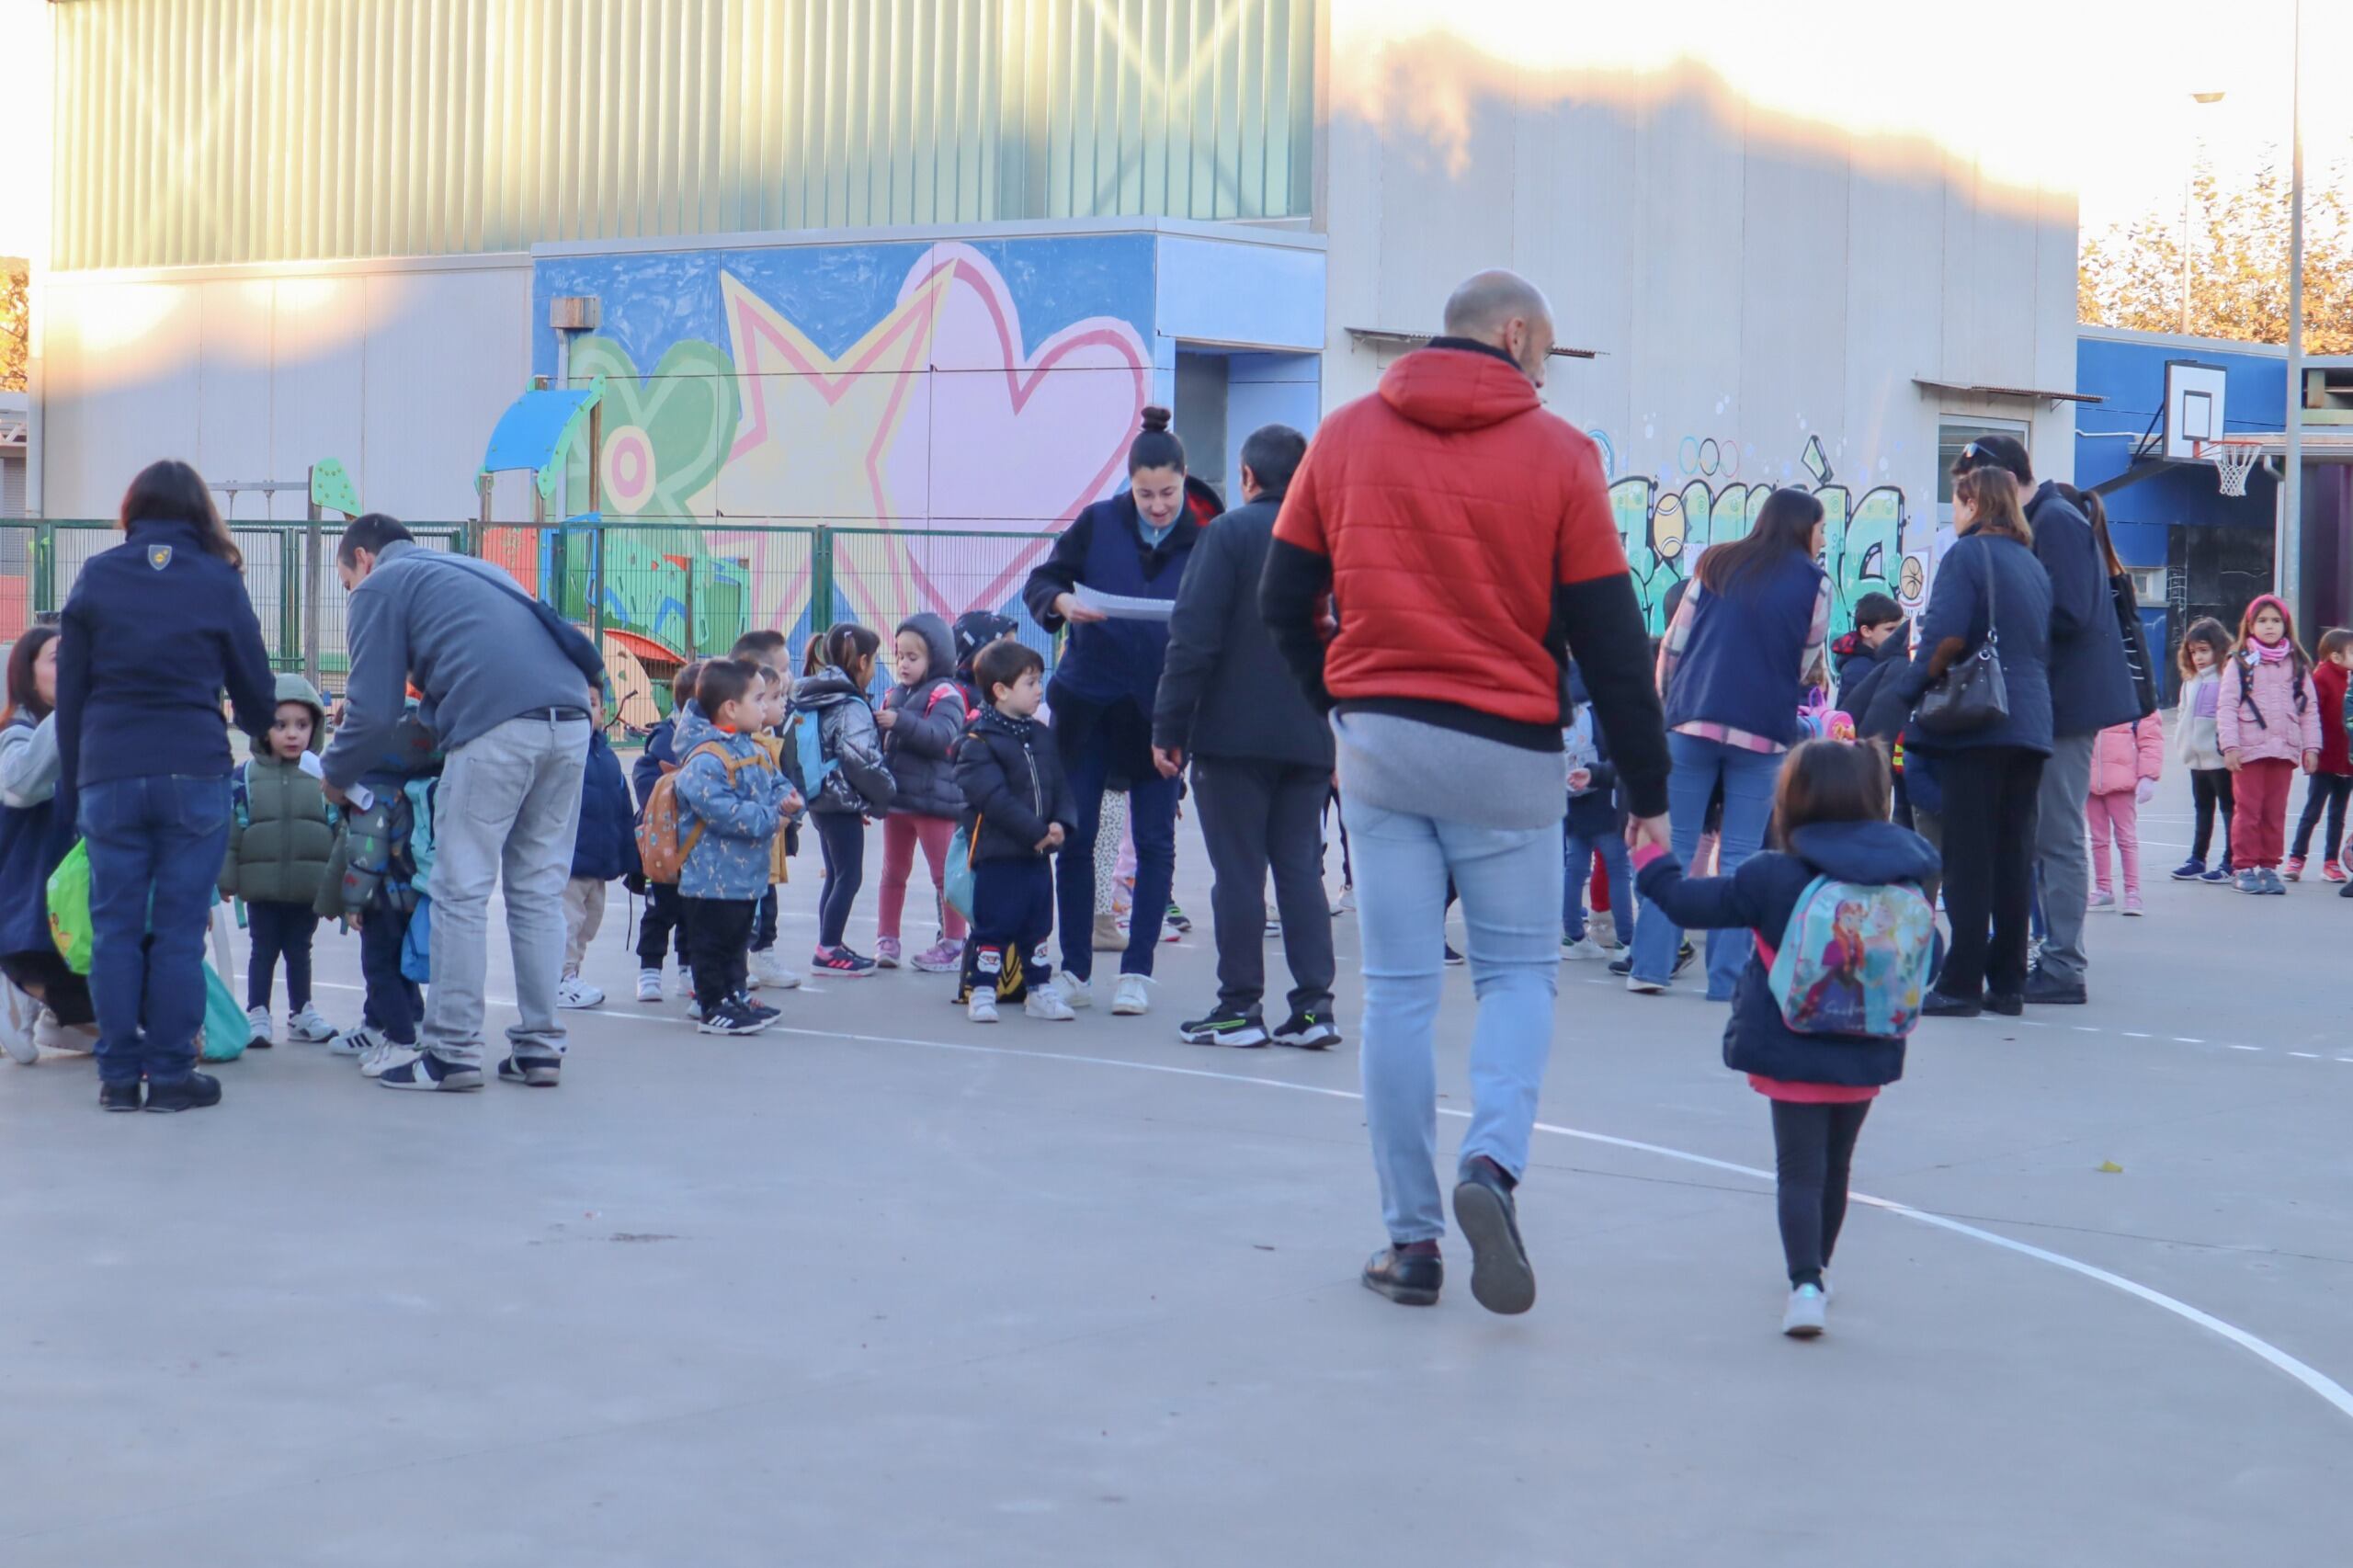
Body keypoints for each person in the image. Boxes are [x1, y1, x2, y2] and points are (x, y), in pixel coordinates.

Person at [1261, 268, 1670, 1315]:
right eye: (1546, 350)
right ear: (1518, 332)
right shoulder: (1561, 455)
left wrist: (1342, 706)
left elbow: (1283, 599)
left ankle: (1410, 1243)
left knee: (1397, 991)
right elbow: (1612, 642)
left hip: (1383, 745)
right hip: (1506, 753)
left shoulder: (1343, 436)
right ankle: (1490, 1166)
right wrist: (1650, 784)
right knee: (1519, 975)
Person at [1631, 741, 1936, 1337]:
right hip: (1868, 1044)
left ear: (1791, 802)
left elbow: (1681, 901)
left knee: (1798, 1168)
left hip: (1790, 1043)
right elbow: (1929, 953)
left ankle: (1804, 1285)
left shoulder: (1772, 876)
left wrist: (1649, 856)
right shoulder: (1907, 874)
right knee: (1837, 1167)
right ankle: (1817, 1268)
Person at [321, 512, 604, 1092]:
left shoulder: (379, 586)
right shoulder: (477, 569)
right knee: (536, 889)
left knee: (460, 889)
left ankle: (450, 1052)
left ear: (363, 559)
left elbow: (372, 712)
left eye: (345, 580)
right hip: (571, 719)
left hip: (495, 725)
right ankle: (540, 1048)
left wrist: (334, 774)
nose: (352, 591)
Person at [55, 460, 278, 1112]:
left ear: (133, 509)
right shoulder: (217, 579)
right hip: (192, 769)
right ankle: (173, 1074)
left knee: (115, 927)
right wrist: (264, 730)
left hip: (110, 771)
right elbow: (255, 688)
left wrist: (76, 788)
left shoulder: (97, 577)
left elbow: (70, 698)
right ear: (199, 513)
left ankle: (119, 1077)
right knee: (180, 931)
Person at [1023, 407, 1219, 1017]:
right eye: (1145, 494)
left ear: (1185, 479)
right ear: (1128, 485)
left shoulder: (1210, 535)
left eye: (1167, 494)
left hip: (1163, 711)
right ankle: (1076, 968)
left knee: (1157, 841)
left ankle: (1137, 970)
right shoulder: (1099, 523)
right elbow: (1043, 579)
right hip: (1089, 705)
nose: (1158, 507)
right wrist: (1060, 601)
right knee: (1075, 839)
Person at [1151, 422, 1339, 1050]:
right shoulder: (1331, 541)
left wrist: (1169, 726)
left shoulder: (1227, 535)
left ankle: (1239, 1007)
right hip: (1312, 737)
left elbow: (1193, 638)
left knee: (1238, 874)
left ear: (1248, 477)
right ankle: (1315, 1010)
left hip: (1232, 737)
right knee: (1301, 873)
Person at [1949, 437, 2139, 1006]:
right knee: (2035, 834)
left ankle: (2063, 963)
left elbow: (2071, 611)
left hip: (2065, 703)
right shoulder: (2043, 518)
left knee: (2056, 834)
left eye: (1970, 487)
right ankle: (2050, 951)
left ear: (1999, 480)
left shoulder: (2053, 521)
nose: (1967, 500)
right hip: (2045, 701)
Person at [1630, 487, 1831, 999]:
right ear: (1804, 528)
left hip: (1692, 720)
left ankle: (1648, 968)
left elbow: (1674, 645)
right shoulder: (1815, 584)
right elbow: (1807, 659)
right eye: (1821, 528)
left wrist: (1667, 708)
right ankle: (1726, 982)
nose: (1823, 538)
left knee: (1672, 844)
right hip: (1763, 730)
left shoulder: (1714, 564)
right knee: (1740, 855)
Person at [1869, 463, 2052, 1019]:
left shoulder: (1967, 555)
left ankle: (1961, 982)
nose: (1954, 510)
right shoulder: (2031, 563)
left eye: (1958, 499)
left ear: (1974, 504)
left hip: (1979, 724)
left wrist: (1909, 688)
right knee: (2013, 853)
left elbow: (1944, 636)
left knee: (1969, 855)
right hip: (2030, 721)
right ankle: (2007, 982)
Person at [956, 640, 1079, 1023]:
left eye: (1040, 681)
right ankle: (983, 990)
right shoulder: (977, 742)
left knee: (1037, 927)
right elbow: (993, 798)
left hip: (1037, 856)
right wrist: (1036, 831)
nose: (1039, 689)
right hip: (999, 855)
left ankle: (1039, 989)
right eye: (1031, 682)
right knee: (994, 925)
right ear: (1001, 690)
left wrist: (1061, 824)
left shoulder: (1041, 736)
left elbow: (1060, 784)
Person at [317, 694, 440, 1075]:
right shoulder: (424, 783)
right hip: (416, 893)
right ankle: (411, 1025)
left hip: (383, 898)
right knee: (403, 964)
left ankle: (400, 1040)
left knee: (379, 968)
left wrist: (354, 900)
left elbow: (367, 852)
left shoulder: (372, 792)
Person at [220, 674, 339, 1047]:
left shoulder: (324, 777)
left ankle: (301, 1010)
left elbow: (339, 832)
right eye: (280, 724)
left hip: (308, 886)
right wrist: (225, 878)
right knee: (263, 949)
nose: (292, 734)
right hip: (262, 888)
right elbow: (232, 833)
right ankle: (257, 1011)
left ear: (315, 728)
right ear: (263, 729)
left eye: (302, 725)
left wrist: (341, 888)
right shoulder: (247, 777)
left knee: (300, 950)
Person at [673, 659, 788, 1035]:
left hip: (742, 875)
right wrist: (772, 816)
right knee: (711, 945)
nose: (765, 706)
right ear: (731, 708)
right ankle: (711, 1006)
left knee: (737, 942)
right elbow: (722, 810)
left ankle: (734, 995)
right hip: (710, 878)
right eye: (758, 698)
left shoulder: (749, 747)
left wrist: (788, 799)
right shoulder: (705, 757)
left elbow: (775, 780)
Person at [0, 626, 96, 1064]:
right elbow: (22, 785)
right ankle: (21, 980)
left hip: (72, 902)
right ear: (26, 673)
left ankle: (57, 1016)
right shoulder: (14, 735)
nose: (72, 666)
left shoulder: (84, 728)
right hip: (26, 899)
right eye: (59, 658)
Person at [792, 621, 896, 975]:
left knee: (836, 875)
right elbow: (861, 760)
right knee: (849, 877)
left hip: (820, 796)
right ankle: (828, 950)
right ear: (863, 661)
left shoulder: (817, 692)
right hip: (840, 800)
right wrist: (884, 796)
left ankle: (828, 942)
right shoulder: (850, 702)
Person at [876, 613, 973, 974]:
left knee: (944, 876)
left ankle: (953, 943)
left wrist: (900, 721)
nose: (903, 663)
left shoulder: (946, 693)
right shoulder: (894, 694)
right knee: (893, 872)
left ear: (936, 657)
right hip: (899, 801)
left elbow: (942, 738)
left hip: (935, 802)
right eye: (899, 655)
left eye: (912, 657)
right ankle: (887, 939)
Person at [2215, 595, 2321, 895]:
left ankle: (2268, 866)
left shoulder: (2297, 664)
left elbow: (2309, 709)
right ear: (2250, 626)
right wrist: (2230, 746)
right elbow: (2226, 705)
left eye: (2276, 620)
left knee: (2275, 812)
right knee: (2248, 810)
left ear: (2286, 626)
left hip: (2283, 749)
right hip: (2249, 750)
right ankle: (2244, 867)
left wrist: (2311, 748)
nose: (2269, 626)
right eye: (2262, 620)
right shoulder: (2240, 661)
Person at [730, 631, 804, 989]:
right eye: (783, 670)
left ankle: (761, 955)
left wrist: (792, 811)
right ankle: (742, 961)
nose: (789, 678)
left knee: (767, 898)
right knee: (748, 903)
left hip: (774, 833)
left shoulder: (780, 727)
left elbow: (790, 776)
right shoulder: (737, 743)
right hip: (752, 837)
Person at [557, 708, 638, 1010]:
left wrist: (630, 857)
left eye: (594, 702)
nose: (590, 709)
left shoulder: (607, 757)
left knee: (589, 922)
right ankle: (559, 979)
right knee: (568, 922)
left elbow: (622, 809)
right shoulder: (563, 753)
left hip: (599, 861)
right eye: (582, 700)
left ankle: (572, 974)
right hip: (570, 861)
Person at [634, 661, 704, 1003]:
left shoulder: (712, 740)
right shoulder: (667, 738)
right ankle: (649, 971)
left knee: (692, 910)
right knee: (659, 911)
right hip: (663, 844)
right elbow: (649, 783)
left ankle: (687, 970)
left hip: (694, 844)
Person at [1560, 662, 1632, 962]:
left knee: (1575, 866)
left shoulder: (1564, 709)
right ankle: (1626, 941)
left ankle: (1572, 935)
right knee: (1617, 868)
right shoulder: (1600, 711)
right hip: (1603, 797)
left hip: (1570, 796)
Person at [2170, 619, 2236, 884]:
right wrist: (2182, 742)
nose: (2198, 657)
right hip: (2196, 759)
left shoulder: (2226, 678)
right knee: (2202, 808)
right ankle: (2197, 858)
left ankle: (2231, 860)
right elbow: (2182, 713)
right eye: (2194, 652)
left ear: (2218, 649)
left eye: (2204, 650)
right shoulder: (2191, 681)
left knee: (2229, 809)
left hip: (2219, 759)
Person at [2285, 627, 2353, 881]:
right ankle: (2296, 859)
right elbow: (2310, 715)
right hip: (2325, 759)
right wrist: (2309, 749)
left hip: (2347, 763)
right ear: (2336, 657)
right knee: (2312, 811)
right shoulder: (2322, 677)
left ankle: (2331, 862)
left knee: (2338, 815)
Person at [2085, 713, 2163, 916]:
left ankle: (2132, 891)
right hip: (2091, 779)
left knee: (2126, 838)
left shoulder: (2134, 694)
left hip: (2121, 780)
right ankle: (2103, 888)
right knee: (2098, 839)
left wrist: (2148, 775)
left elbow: (2150, 739)